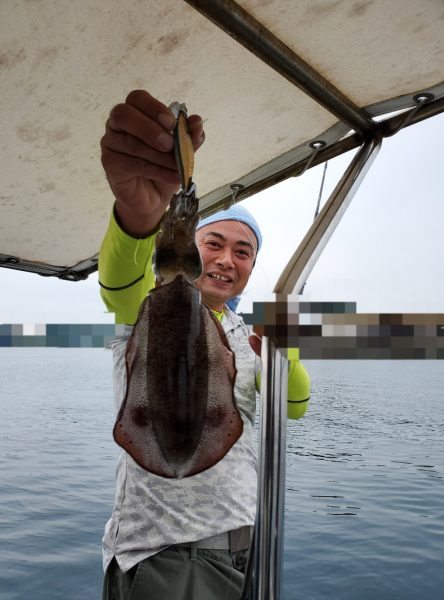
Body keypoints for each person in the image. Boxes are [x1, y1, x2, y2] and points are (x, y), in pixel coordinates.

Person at [98, 90, 310, 600]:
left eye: (244, 252)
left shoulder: (245, 334)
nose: (226, 258)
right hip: (170, 556)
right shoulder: (146, 308)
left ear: (251, 270)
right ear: (191, 246)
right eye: (214, 242)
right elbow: (120, 278)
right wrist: (137, 212)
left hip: (245, 551)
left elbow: (294, 410)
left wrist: (287, 354)